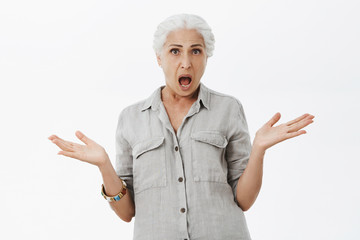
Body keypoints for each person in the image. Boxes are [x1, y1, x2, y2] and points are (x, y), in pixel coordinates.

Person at [48, 13, 314, 240]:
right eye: (175, 51)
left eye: (195, 51)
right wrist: (104, 165)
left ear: (206, 57)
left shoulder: (229, 109)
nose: (185, 62)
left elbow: (243, 200)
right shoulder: (131, 118)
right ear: (159, 58)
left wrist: (258, 150)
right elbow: (126, 213)